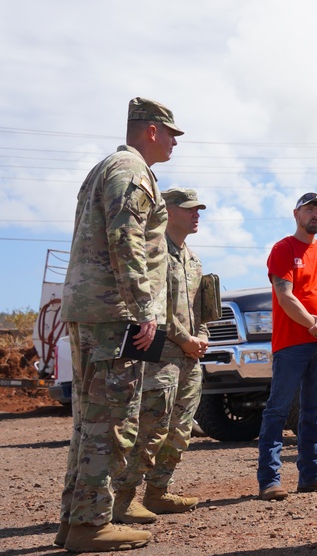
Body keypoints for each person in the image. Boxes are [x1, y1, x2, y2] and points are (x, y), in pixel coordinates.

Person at [57, 97, 182, 551]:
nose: (173, 142)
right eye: (170, 133)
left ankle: (75, 520)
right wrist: (144, 308)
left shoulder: (106, 168)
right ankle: (91, 525)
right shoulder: (131, 171)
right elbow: (125, 239)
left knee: (90, 420)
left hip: (96, 309)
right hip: (117, 314)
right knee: (114, 420)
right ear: (150, 130)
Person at [112, 188, 210, 524]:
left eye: (198, 209)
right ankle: (123, 499)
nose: (196, 214)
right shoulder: (155, 254)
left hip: (189, 357)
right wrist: (185, 340)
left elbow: (202, 310)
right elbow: (154, 307)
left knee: (180, 429)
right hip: (161, 356)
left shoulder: (193, 260)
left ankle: (158, 492)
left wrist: (202, 338)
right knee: (150, 427)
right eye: (188, 209)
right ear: (167, 211)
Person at [257, 192, 317, 501]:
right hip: (292, 343)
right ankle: (269, 480)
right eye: (310, 209)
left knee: (314, 410)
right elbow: (285, 296)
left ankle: (312, 475)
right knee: (278, 410)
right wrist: (316, 325)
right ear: (296, 213)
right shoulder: (283, 249)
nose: (316, 215)